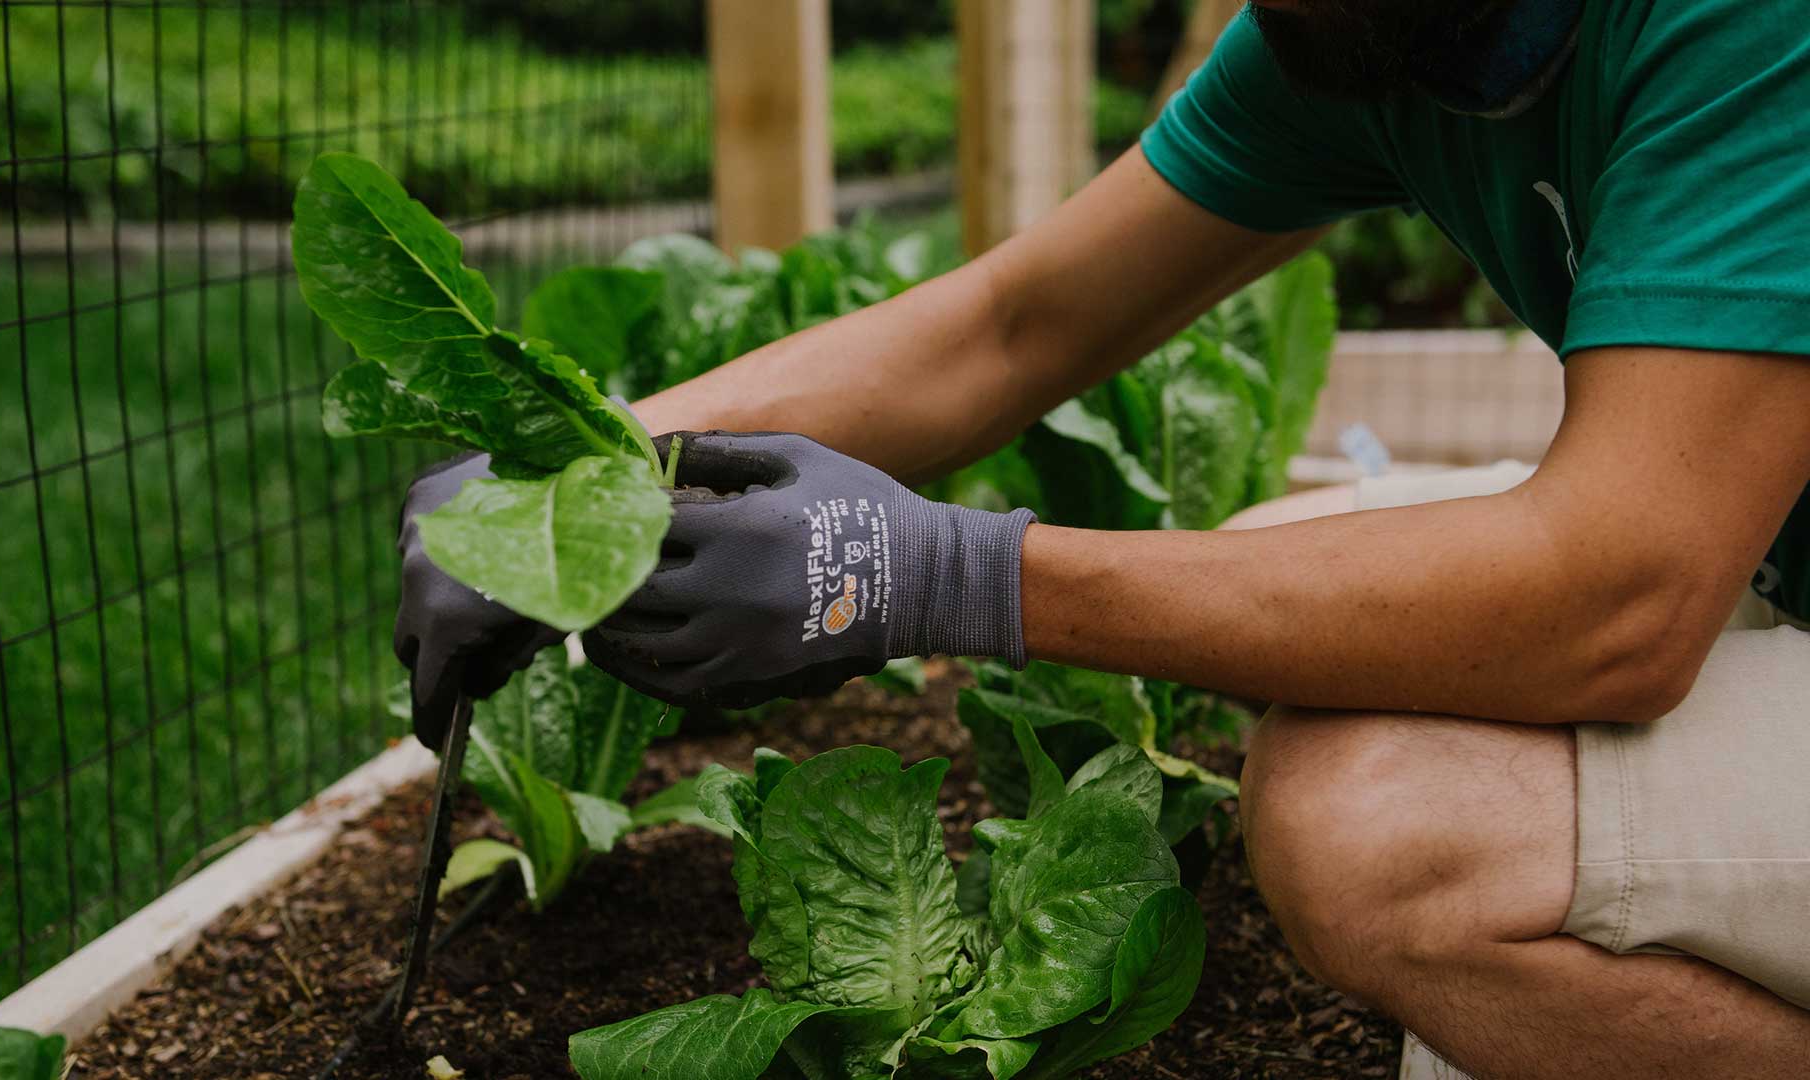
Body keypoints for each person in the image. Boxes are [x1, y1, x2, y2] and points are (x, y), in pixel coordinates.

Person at [391, 1, 1810, 1075]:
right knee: (1286, 559)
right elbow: (1016, 325)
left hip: (1679, 580)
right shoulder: (1369, 32)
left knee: (1373, 818)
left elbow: (1616, 601)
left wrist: (935, 573)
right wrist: (578, 466)